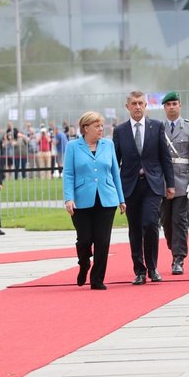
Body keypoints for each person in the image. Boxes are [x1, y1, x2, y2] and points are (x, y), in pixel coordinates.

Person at [113, 90, 174, 285]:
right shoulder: (120, 131)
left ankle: (153, 267)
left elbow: (165, 157)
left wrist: (170, 184)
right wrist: (116, 191)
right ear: (127, 107)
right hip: (129, 186)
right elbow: (115, 162)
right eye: (134, 103)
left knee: (150, 224)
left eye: (141, 103)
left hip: (152, 185)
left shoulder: (156, 127)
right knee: (135, 229)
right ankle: (139, 270)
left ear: (145, 106)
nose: (138, 106)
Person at [63, 111, 126, 290]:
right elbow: (68, 174)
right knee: (84, 240)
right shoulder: (73, 146)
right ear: (86, 128)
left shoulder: (108, 145)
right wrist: (69, 198)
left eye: (101, 125)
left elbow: (115, 172)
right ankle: (84, 264)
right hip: (81, 200)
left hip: (107, 199)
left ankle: (97, 279)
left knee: (102, 241)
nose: (101, 129)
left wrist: (121, 199)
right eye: (97, 126)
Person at [159, 92, 189, 275]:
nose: (171, 107)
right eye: (168, 104)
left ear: (180, 105)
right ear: (164, 107)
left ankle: (179, 258)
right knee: (166, 222)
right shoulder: (158, 128)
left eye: (174, 103)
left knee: (179, 221)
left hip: (182, 180)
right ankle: (173, 248)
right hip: (161, 182)